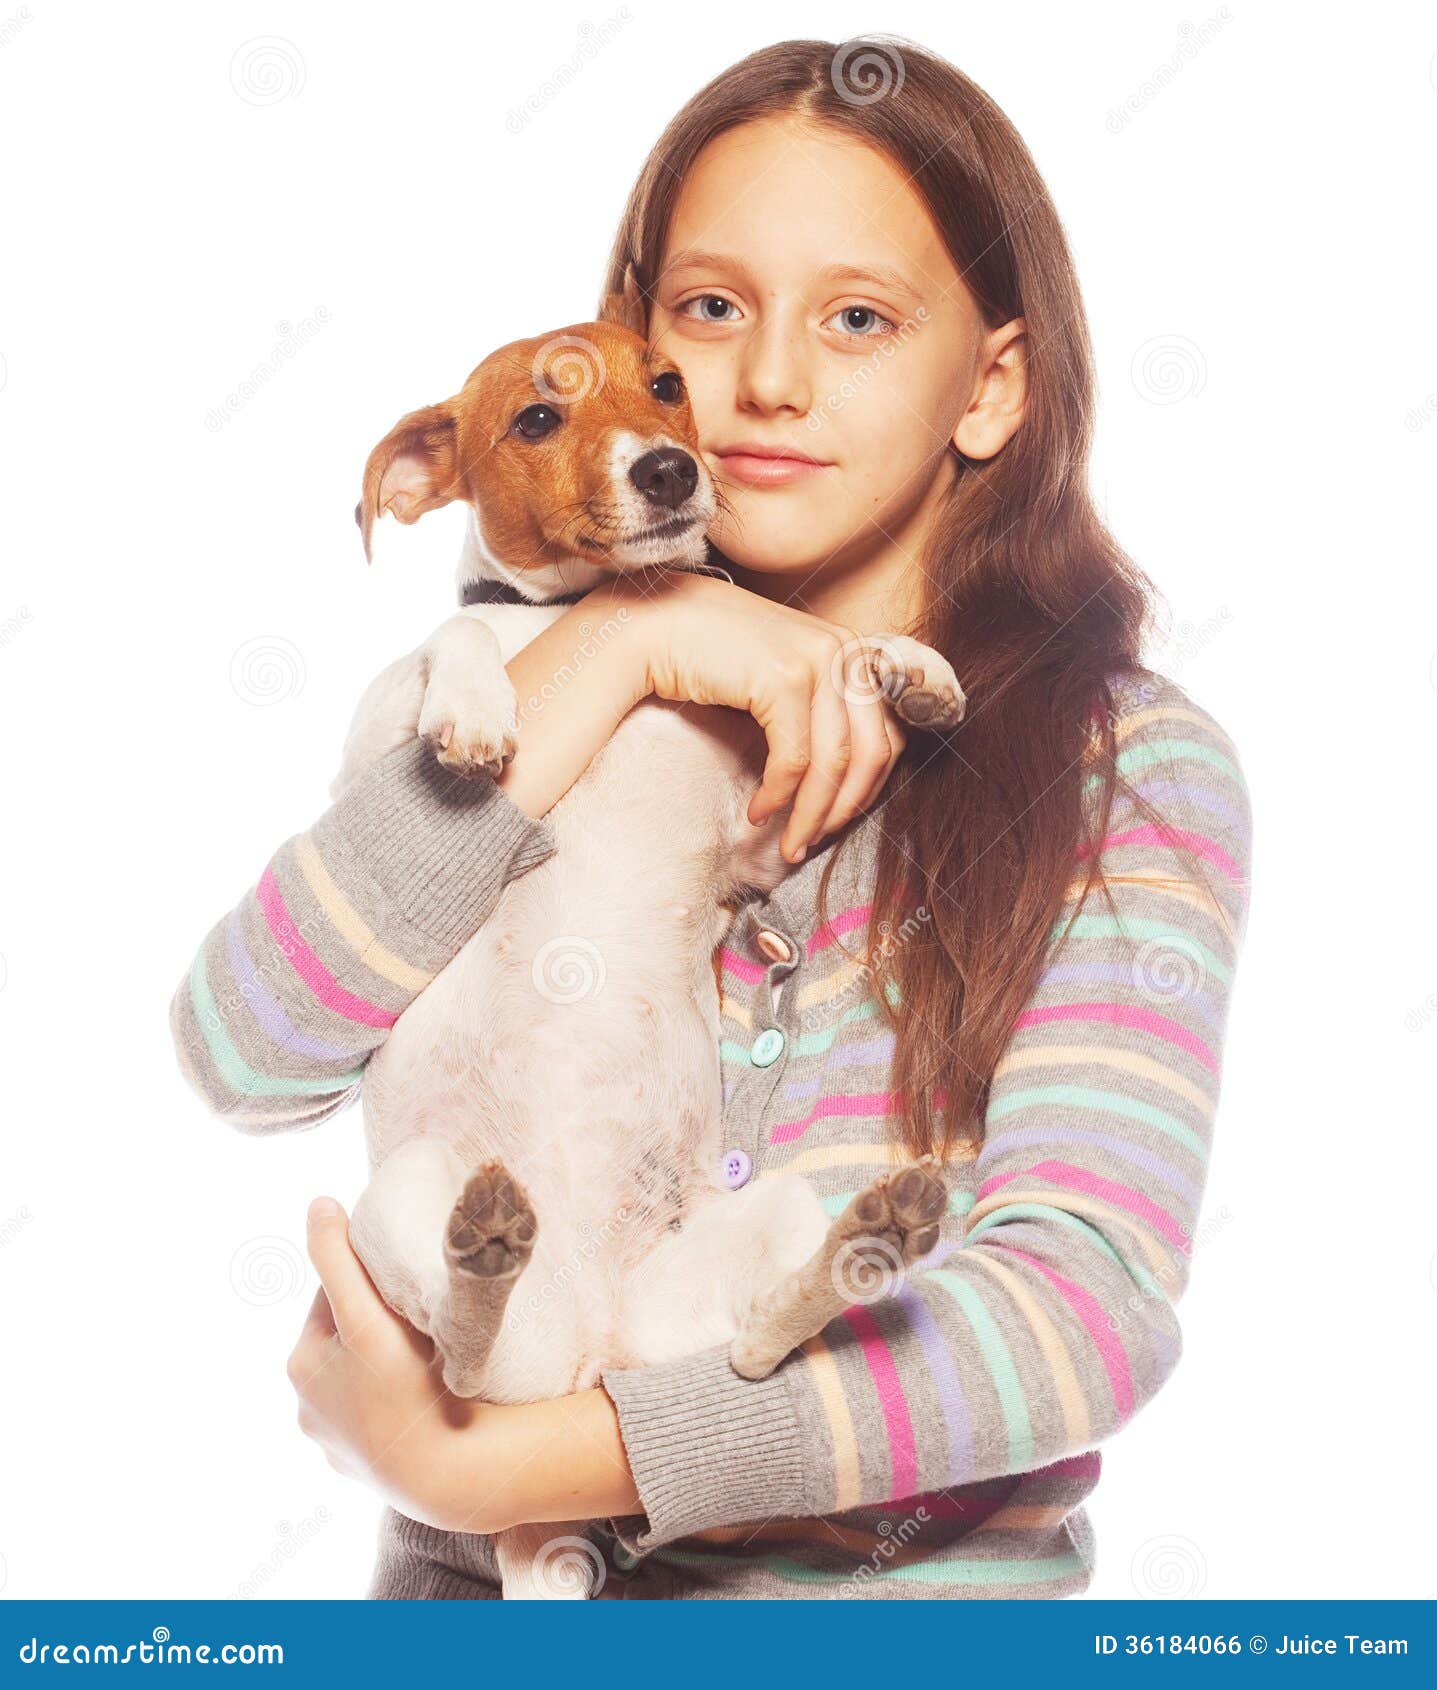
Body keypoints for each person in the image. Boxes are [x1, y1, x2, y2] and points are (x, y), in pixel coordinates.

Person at [169, 37, 1252, 1600]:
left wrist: (490, 1467)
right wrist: (615, 648)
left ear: (990, 385)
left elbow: (1076, 1312)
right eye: (711, 308)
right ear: (636, 337)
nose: (769, 384)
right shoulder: (532, 697)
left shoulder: (1117, 767)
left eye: (859, 319)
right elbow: (247, 1046)